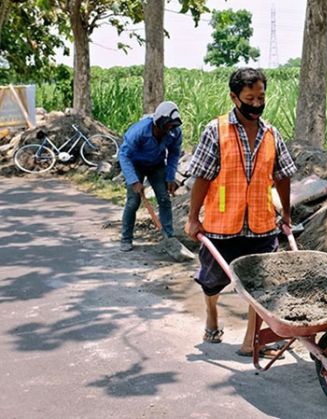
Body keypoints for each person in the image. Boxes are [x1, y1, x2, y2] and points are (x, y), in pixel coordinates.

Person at [185, 68, 297, 355]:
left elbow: (283, 176)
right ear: (234, 97)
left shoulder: (271, 133)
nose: (257, 103)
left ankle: (251, 342)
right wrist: (192, 217)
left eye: (261, 97)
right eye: (250, 98)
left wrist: (285, 214)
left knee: (260, 286)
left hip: (261, 224)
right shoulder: (216, 130)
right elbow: (202, 177)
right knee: (213, 281)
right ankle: (212, 314)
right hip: (222, 223)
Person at [119, 101, 183, 252]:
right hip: (135, 165)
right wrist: (133, 180)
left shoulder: (175, 132)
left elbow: (174, 154)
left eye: (172, 126)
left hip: (157, 165)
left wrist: (170, 177)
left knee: (164, 199)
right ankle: (126, 238)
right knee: (133, 202)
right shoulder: (139, 131)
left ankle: (169, 238)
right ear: (158, 123)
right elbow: (124, 155)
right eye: (167, 126)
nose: (170, 130)